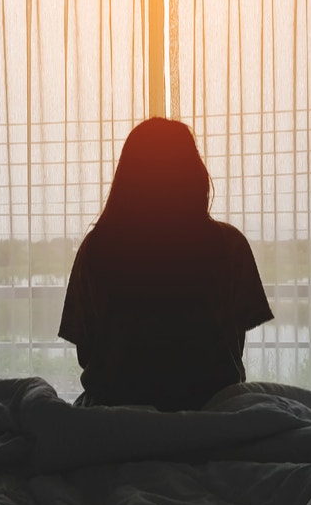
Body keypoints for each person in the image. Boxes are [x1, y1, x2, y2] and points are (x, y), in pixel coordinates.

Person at [57, 118, 274, 411]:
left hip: (113, 415)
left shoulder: (96, 248)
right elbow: (235, 341)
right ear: (194, 173)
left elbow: (86, 349)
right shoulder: (229, 245)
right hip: (211, 412)